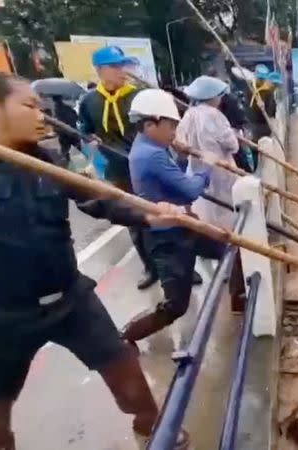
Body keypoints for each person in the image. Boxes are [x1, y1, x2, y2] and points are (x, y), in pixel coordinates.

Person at [0, 72, 190, 449]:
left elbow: (97, 199)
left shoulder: (43, 159)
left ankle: (152, 427)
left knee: (123, 367)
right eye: (29, 106)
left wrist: (151, 215)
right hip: (2, 317)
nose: (42, 115)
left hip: (72, 300)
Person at [78, 46, 201, 290]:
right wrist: (91, 140)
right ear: (100, 70)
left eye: (124, 65)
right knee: (136, 222)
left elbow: (164, 125)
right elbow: (85, 128)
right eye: (115, 66)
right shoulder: (90, 100)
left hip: (151, 167)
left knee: (171, 215)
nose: (122, 71)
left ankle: (186, 266)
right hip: (118, 169)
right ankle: (151, 267)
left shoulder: (140, 96)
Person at [121, 89, 226, 343]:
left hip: (184, 224)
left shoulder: (150, 146)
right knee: (176, 305)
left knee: (230, 249)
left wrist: (181, 155)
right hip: (168, 237)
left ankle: (243, 302)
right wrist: (207, 165)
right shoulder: (151, 154)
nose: (174, 132)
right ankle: (125, 337)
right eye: (170, 126)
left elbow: (173, 177)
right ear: (149, 124)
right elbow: (190, 189)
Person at [179, 75, 241, 228]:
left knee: (205, 207)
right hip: (220, 169)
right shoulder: (215, 115)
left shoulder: (188, 115)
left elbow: (180, 142)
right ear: (213, 97)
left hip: (196, 169)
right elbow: (233, 145)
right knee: (225, 210)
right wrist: (235, 136)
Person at [52, 95, 79, 162]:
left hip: (63, 133)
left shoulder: (56, 110)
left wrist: (55, 130)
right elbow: (76, 117)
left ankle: (68, 161)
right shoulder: (68, 108)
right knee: (77, 146)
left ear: (54, 101)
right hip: (72, 130)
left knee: (65, 148)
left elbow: (55, 122)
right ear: (61, 99)